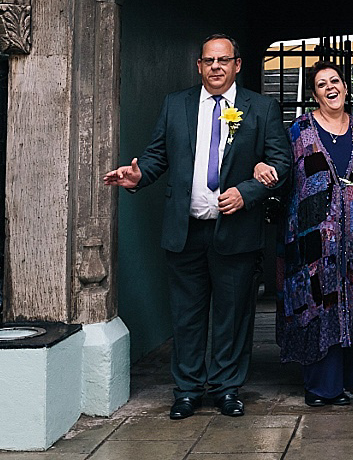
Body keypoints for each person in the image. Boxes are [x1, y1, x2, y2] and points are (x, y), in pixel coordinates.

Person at [103, 34, 292, 420]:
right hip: (185, 230)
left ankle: (226, 389)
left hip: (236, 231)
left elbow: (281, 163)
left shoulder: (262, 107)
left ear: (238, 64)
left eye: (224, 60)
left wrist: (247, 192)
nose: (216, 67)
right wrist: (138, 176)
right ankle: (187, 391)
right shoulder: (177, 104)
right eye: (209, 60)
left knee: (233, 315)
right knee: (187, 316)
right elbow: (157, 155)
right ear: (199, 65)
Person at [253, 61, 353, 407]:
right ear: (314, 94)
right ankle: (322, 387)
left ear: (346, 88)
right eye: (321, 84)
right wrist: (262, 166)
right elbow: (276, 165)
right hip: (310, 239)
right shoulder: (298, 131)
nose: (330, 88)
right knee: (317, 305)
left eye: (335, 81)